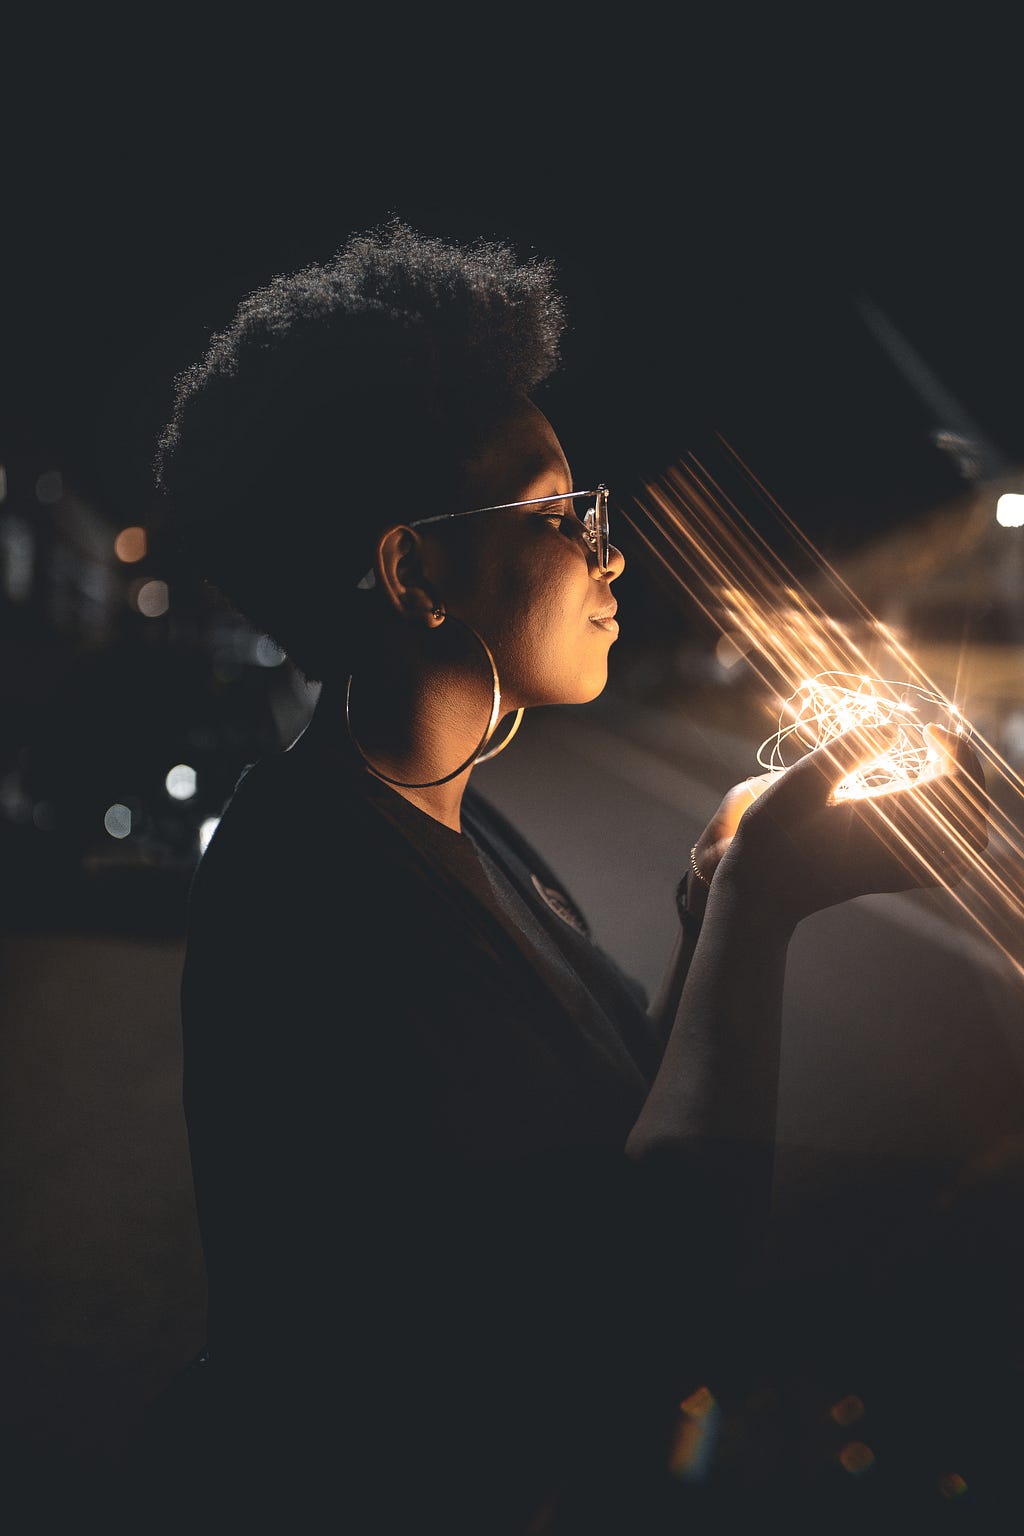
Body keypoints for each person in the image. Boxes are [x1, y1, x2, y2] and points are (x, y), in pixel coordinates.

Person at [140, 218, 988, 1533]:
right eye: (554, 513)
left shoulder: (446, 819)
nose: (609, 551)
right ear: (415, 570)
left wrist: (714, 912)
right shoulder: (313, 901)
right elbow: (641, 1289)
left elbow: (610, 1133)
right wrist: (761, 903)